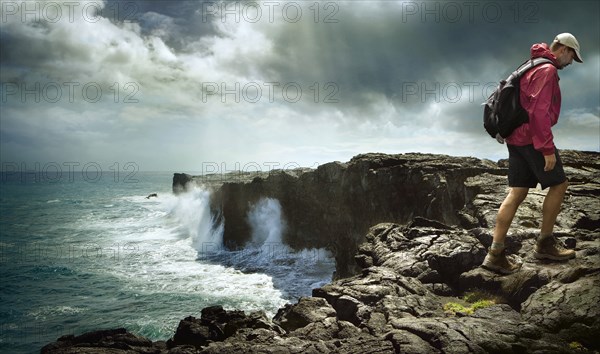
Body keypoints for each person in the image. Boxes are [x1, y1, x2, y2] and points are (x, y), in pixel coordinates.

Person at [482, 33, 583, 274]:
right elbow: (538, 113)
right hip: (531, 139)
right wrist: (546, 149)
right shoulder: (547, 70)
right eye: (572, 56)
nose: (571, 62)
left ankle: (495, 254)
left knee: (517, 192)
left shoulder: (530, 65)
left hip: (515, 139)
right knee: (559, 185)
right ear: (563, 49)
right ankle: (545, 244)